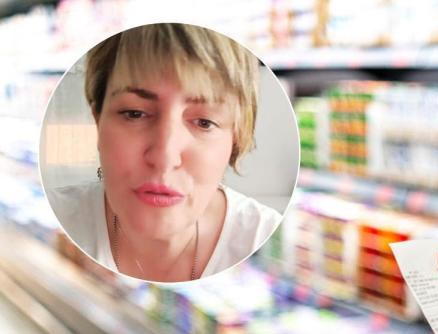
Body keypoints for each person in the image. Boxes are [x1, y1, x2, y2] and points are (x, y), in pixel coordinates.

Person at [46, 23, 282, 283]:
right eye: (134, 114)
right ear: (97, 120)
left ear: (235, 140)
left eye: (204, 122)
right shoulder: (53, 221)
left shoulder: (269, 242)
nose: (165, 157)